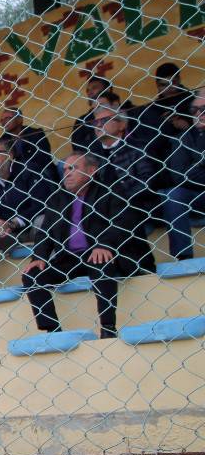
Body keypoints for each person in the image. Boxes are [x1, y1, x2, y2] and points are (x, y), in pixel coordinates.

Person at [22, 153, 154, 338]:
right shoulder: (58, 198)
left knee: (99, 261)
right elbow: (45, 231)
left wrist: (104, 244)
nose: (67, 173)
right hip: (70, 258)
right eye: (65, 169)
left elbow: (123, 222)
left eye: (73, 168)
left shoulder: (110, 191)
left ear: (92, 171)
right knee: (32, 276)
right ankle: (52, 330)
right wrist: (39, 257)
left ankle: (108, 328)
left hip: (104, 253)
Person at [0, 139, 55, 289]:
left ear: (10, 155)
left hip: (31, 229)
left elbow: (41, 204)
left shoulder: (29, 170)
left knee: (42, 219)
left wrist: (12, 222)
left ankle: (47, 276)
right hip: (6, 236)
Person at [129, 62, 195, 180]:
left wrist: (188, 124)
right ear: (157, 86)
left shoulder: (193, 100)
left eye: (172, 83)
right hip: (164, 152)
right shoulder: (153, 108)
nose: (169, 88)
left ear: (179, 80)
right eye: (163, 85)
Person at [162, 89, 205, 259]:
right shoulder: (183, 138)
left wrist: (196, 165)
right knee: (172, 194)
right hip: (198, 195)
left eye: (204, 108)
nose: (199, 114)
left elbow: (189, 172)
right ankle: (183, 258)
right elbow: (180, 176)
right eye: (194, 110)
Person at [0, 107, 58, 180]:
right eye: (2, 120)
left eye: (8, 118)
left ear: (20, 119)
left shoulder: (36, 133)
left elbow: (43, 157)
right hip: (15, 174)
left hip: (40, 170)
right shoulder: (2, 141)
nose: (4, 122)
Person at [71, 76, 112, 153]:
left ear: (108, 89)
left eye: (94, 88)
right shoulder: (82, 121)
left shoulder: (124, 110)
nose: (90, 92)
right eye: (88, 90)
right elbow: (77, 148)